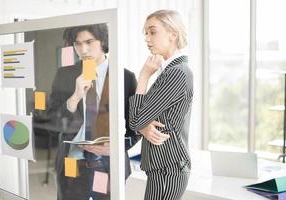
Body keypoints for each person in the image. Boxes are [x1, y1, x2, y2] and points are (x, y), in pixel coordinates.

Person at [47, 24, 140, 200]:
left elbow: (136, 126)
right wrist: (74, 98)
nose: (83, 49)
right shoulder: (64, 75)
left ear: (103, 40)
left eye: (89, 42)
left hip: (105, 163)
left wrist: (116, 148)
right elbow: (52, 121)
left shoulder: (125, 77)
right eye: (77, 44)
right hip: (72, 161)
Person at [129, 10, 193, 200]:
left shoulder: (177, 73)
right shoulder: (169, 71)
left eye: (152, 32)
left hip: (168, 166)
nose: (147, 39)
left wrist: (143, 76)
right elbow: (141, 120)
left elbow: (135, 120)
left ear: (173, 34)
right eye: (146, 34)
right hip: (164, 165)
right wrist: (144, 126)